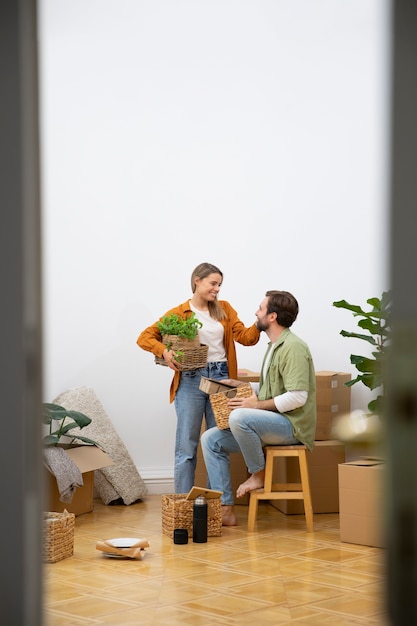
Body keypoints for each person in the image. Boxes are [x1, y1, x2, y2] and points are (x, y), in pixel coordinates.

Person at [136, 262, 260, 493]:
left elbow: (245, 337)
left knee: (218, 442)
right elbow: (145, 337)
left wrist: (261, 323)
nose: (217, 289)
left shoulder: (225, 309)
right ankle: (183, 504)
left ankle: (215, 504)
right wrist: (164, 351)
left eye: (220, 285)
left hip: (221, 379)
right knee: (187, 446)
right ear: (197, 280)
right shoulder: (179, 313)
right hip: (191, 379)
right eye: (213, 283)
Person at [201, 290, 316, 526]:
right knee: (210, 439)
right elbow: (272, 389)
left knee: (240, 416)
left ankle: (258, 475)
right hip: (272, 423)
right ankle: (226, 509)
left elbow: (298, 397)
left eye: (261, 308)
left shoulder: (293, 348)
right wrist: (244, 386)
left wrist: (255, 404)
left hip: (291, 427)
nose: (256, 312)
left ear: (272, 316)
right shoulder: (274, 346)